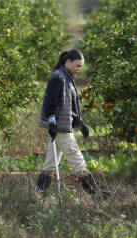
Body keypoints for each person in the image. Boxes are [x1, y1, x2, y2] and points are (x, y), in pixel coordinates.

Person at [36, 49, 110, 199]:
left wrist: (80, 123)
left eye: (81, 67)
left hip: (63, 125)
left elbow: (70, 104)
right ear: (68, 62)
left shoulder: (67, 77)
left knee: (50, 164)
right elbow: (51, 103)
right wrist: (52, 123)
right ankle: (95, 194)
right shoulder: (58, 77)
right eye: (77, 66)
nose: (79, 69)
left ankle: (37, 196)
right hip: (60, 128)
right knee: (77, 160)